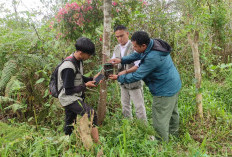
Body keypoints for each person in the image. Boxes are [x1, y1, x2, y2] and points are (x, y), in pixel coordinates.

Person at [109, 31, 182, 142]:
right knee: (172, 112)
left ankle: (161, 144)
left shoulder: (152, 57)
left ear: (143, 45)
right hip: (173, 83)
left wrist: (119, 77)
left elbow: (137, 75)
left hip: (164, 89)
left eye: (135, 46)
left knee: (159, 118)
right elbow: (137, 54)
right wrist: (122, 60)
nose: (133, 48)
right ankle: (174, 136)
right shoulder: (153, 44)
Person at [57, 37, 99, 143]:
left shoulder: (78, 61)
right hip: (68, 98)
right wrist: (85, 85)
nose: (89, 57)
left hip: (73, 96)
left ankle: (66, 144)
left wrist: (92, 79)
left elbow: (79, 77)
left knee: (70, 122)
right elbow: (68, 90)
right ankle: (97, 144)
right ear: (81, 52)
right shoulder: (68, 67)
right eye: (88, 55)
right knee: (91, 113)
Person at [111, 25, 147, 121]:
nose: (119, 39)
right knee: (125, 106)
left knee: (139, 107)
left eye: (121, 36)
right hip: (122, 82)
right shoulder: (116, 48)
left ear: (127, 34)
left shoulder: (134, 47)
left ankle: (145, 130)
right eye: (117, 37)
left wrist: (125, 72)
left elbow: (137, 66)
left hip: (134, 81)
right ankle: (129, 127)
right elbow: (114, 62)